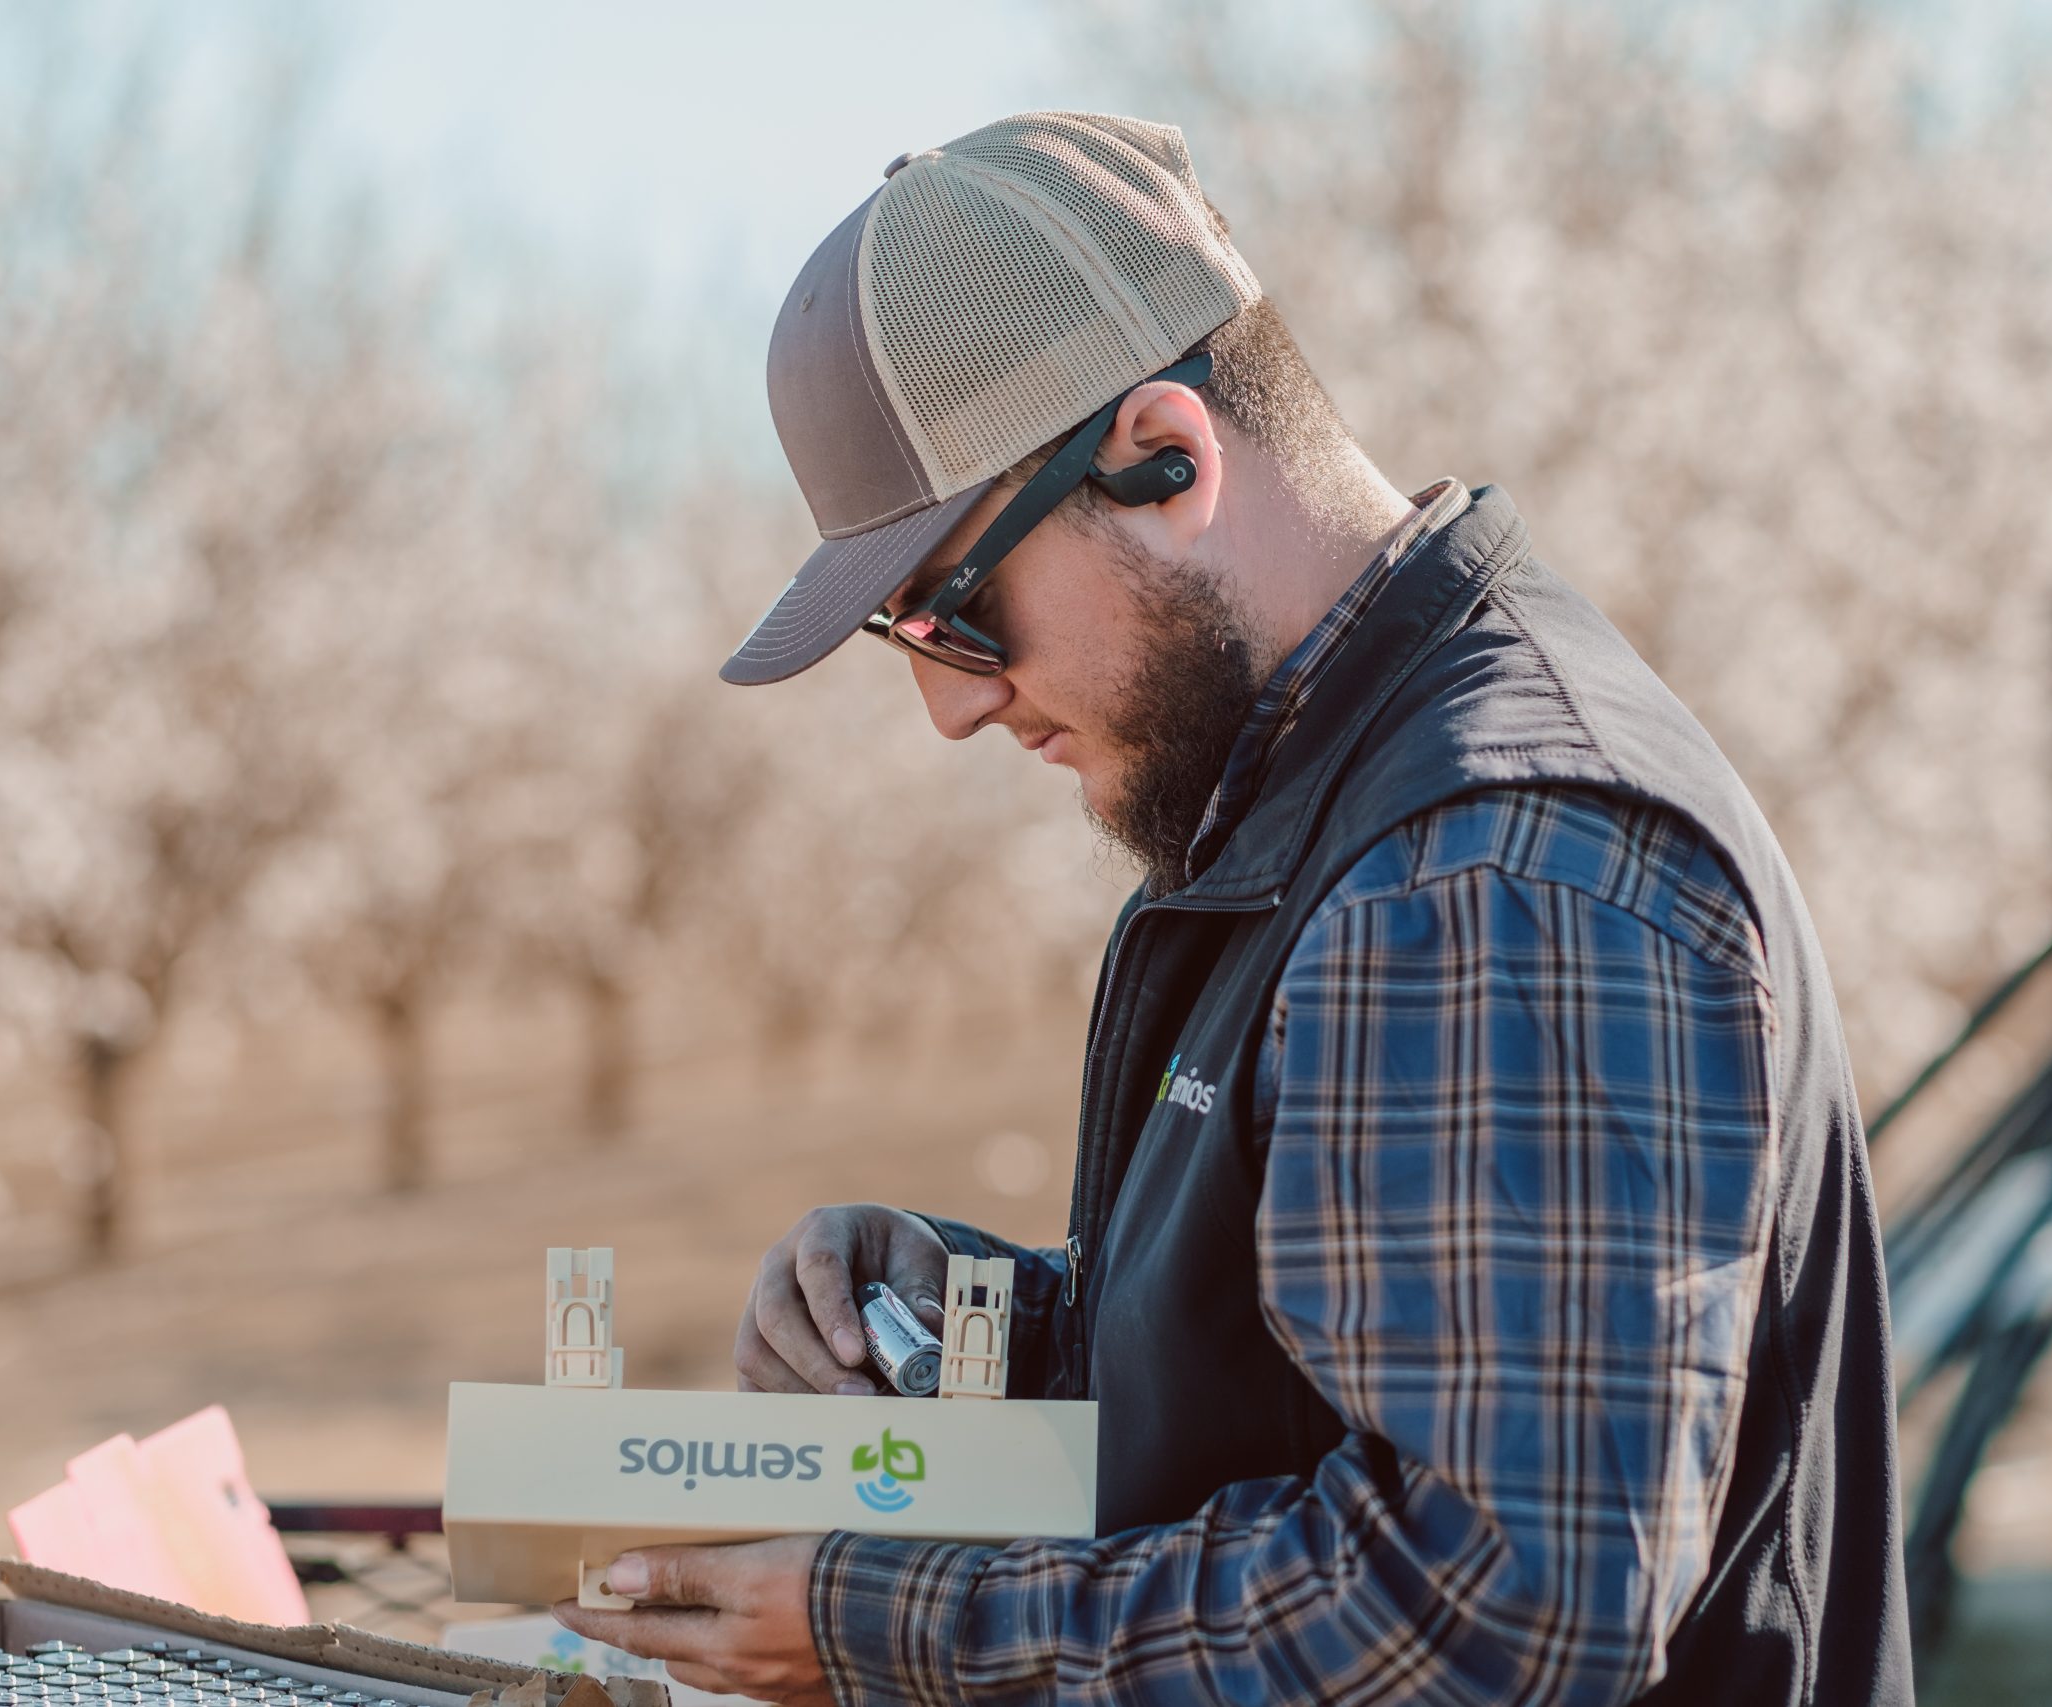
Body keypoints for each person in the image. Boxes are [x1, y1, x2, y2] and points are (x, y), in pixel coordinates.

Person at [553, 111, 1913, 1707]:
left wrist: (895, 1631)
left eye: (953, 612)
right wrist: (985, 1325)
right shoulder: (1326, 813)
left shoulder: (1486, 870)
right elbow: (1336, 1368)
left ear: (1167, 460)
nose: (946, 708)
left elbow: (1495, 1615)